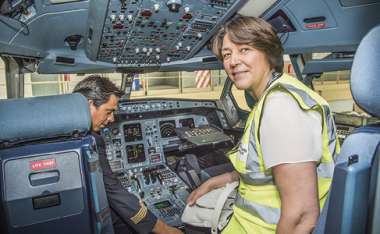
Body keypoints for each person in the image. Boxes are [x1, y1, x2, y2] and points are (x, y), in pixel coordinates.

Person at [187, 15, 340, 234]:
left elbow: (302, 217)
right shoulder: (272, 98)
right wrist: (222, 179)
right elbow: (264, 170)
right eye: (227, 54)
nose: (232, 61)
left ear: (268, 52)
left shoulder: (281, 106)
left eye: (244, 50)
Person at [73, 75, 182, 234]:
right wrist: (164, 229)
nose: (112, 118)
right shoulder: (90, 141)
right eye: (108, 111)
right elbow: (114, 191)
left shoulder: (70, 134)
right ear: (90, 106)